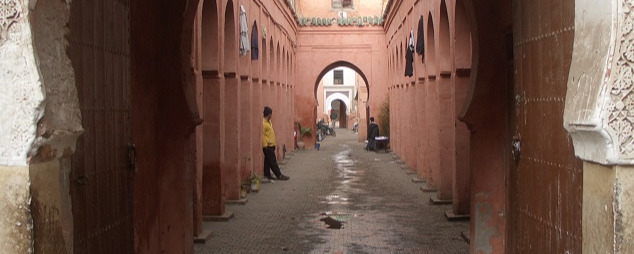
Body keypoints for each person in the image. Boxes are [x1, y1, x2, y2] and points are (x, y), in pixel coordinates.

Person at [262, 106, 290, 181]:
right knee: (273, 161)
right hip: (267, 146)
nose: (271, 116)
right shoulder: (263, 123)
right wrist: (265, 145)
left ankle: (267, 174)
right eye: (271, 114)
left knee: (267, 161)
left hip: (271, 145)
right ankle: (279, 175)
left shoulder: (268, 122)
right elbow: (262, 135)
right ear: (269, 114)